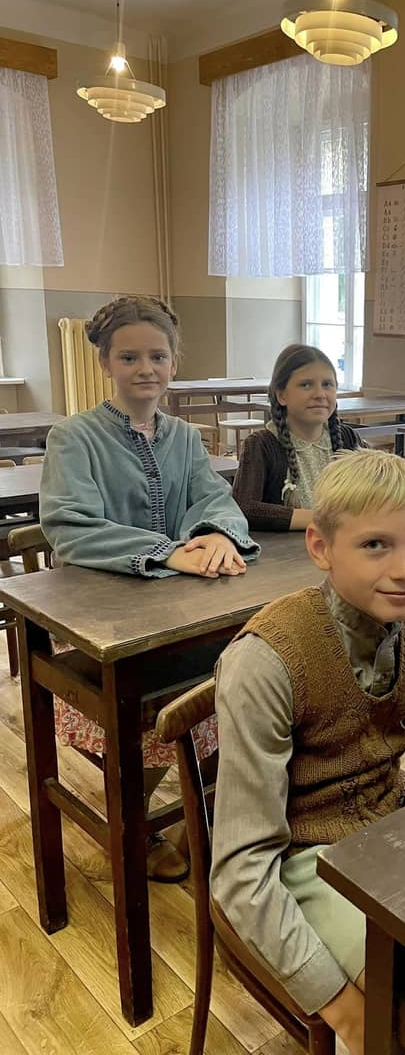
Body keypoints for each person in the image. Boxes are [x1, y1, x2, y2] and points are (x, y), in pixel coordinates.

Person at [211, 449, 405, 1054]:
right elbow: (242, 870)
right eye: (375, 546)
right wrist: (348, 1012)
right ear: (321, 548)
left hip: (391, 830)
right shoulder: (267, 660)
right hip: (303, 857)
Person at [40, 295, 259, 879]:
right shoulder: (74, 437)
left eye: (157, 356)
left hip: (180, 606)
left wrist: (217, 536)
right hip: (101, 618)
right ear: (105, 363)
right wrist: (167, 552)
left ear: (174, 363)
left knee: (247, 665)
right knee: (157, 697)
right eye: (129, 357)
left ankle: (204, 807)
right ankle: (134, 821)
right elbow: (69, 528)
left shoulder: (183, 436)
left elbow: (214, 498)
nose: (145, 369)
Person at [232, 344, 365, 531]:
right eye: (306, 385)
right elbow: (244, 508)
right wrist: (322, 520)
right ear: (281, 395)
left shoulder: (348, 438)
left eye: (327, 384)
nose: (320, 394)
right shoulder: (261, 445)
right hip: (286, 548)